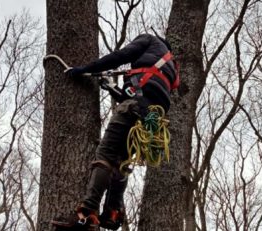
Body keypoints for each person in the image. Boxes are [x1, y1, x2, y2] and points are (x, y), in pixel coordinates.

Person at [51, 33, 179, 231]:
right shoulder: (171, 68)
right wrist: (112, 89)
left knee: (106, 155)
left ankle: (86, 213)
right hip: (151, 119)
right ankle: (112, 212)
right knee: (122, 161)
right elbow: (141, 98)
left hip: (135, 106)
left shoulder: (149, 40)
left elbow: (120, 56)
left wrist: (84, 69)